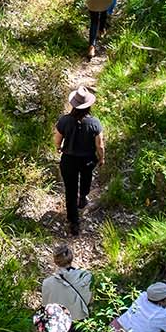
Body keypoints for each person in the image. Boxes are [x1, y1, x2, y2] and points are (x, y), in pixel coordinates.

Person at [53, 87, 104, 237]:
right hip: (88, 159)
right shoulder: (95, 123)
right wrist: (102, 158)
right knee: (87, 178)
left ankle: (73, 222)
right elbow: (99, 145)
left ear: (73, 104)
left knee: (70, 190)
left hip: (69, 160)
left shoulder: (64, 120)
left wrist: (58, 148)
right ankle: (83, 197)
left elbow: (57, 139)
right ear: (89, 105)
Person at [41, 245, 93, 332]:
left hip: (58, 323)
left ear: (55, 261)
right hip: (80, 322)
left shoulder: (47, 283)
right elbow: (90, 300)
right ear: (71, 257)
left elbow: (46, 306)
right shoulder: (87, 277)